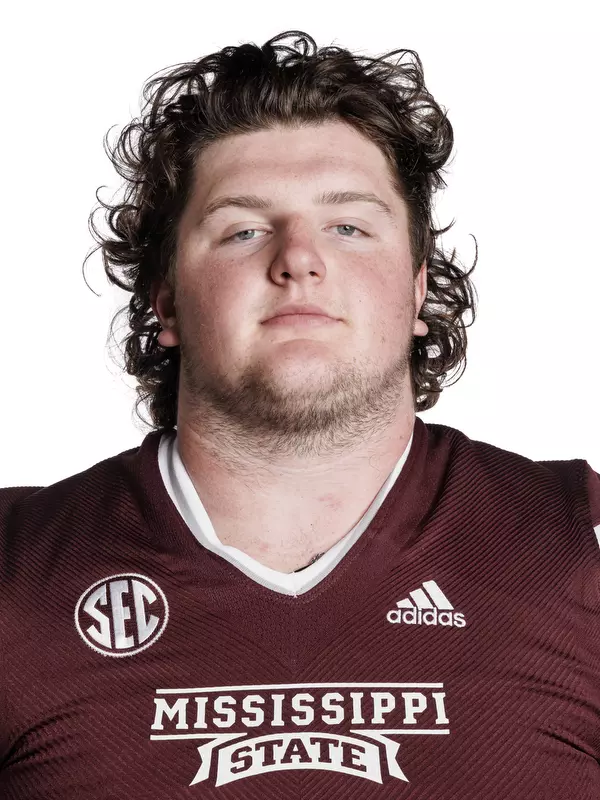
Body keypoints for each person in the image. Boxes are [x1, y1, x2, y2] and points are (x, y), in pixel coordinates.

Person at [0, 30, 598, 799]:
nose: (298, 259)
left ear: (418, 286)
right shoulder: (15, 571)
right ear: (166, 301)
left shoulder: (579, 547)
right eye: (242, 230)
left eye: (348, 226)